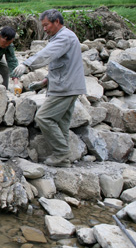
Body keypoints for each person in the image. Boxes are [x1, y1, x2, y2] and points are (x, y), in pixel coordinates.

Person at [12, 9, 86, 167]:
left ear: (57, 22)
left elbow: (47, 54)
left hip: (65, 87)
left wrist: (27, 63)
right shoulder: (62, 37)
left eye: (46, 25)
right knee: (62, 124)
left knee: (43, 117)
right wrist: (45, 82)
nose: (44, 29)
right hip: (68, 85)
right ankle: (64, 161)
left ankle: (61, 153)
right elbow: (63, 65)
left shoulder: (64, 37)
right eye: (43, 25)